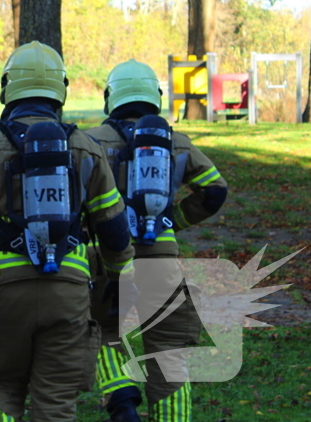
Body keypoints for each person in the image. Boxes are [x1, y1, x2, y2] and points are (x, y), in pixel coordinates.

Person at [0, 41, 134, 422]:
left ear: (8, 87)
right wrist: (121, 280)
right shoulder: (86, 148)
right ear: (61, 88)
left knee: (0, 387)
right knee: (56, 402)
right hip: (68, 292)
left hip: (1, 290)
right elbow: (114, 228)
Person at [86, 59, 228, 422]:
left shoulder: (90, 143)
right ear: (156, 97)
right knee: (167, 347)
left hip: (105, 258)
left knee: (97, 331)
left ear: (110, 98)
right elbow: (214, 190)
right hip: (161, 261)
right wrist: (171, 221)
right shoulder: (176, 143)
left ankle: (122, 398)